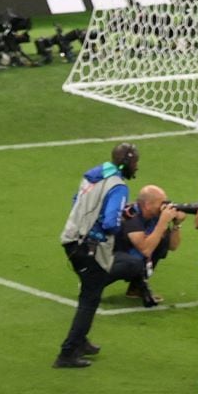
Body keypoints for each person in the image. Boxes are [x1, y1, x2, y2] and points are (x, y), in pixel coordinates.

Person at [54, 142, 141, 367]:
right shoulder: (118, 186)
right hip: (89, 247)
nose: (136, 167)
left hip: (72, 238)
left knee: (89, 292)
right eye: (135, 162)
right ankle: (68, 352)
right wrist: (123, 220)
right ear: (126, 163)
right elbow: (111, 222)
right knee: (89, 300)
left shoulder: (93, 174)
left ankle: (80, 341)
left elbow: (77, 201)